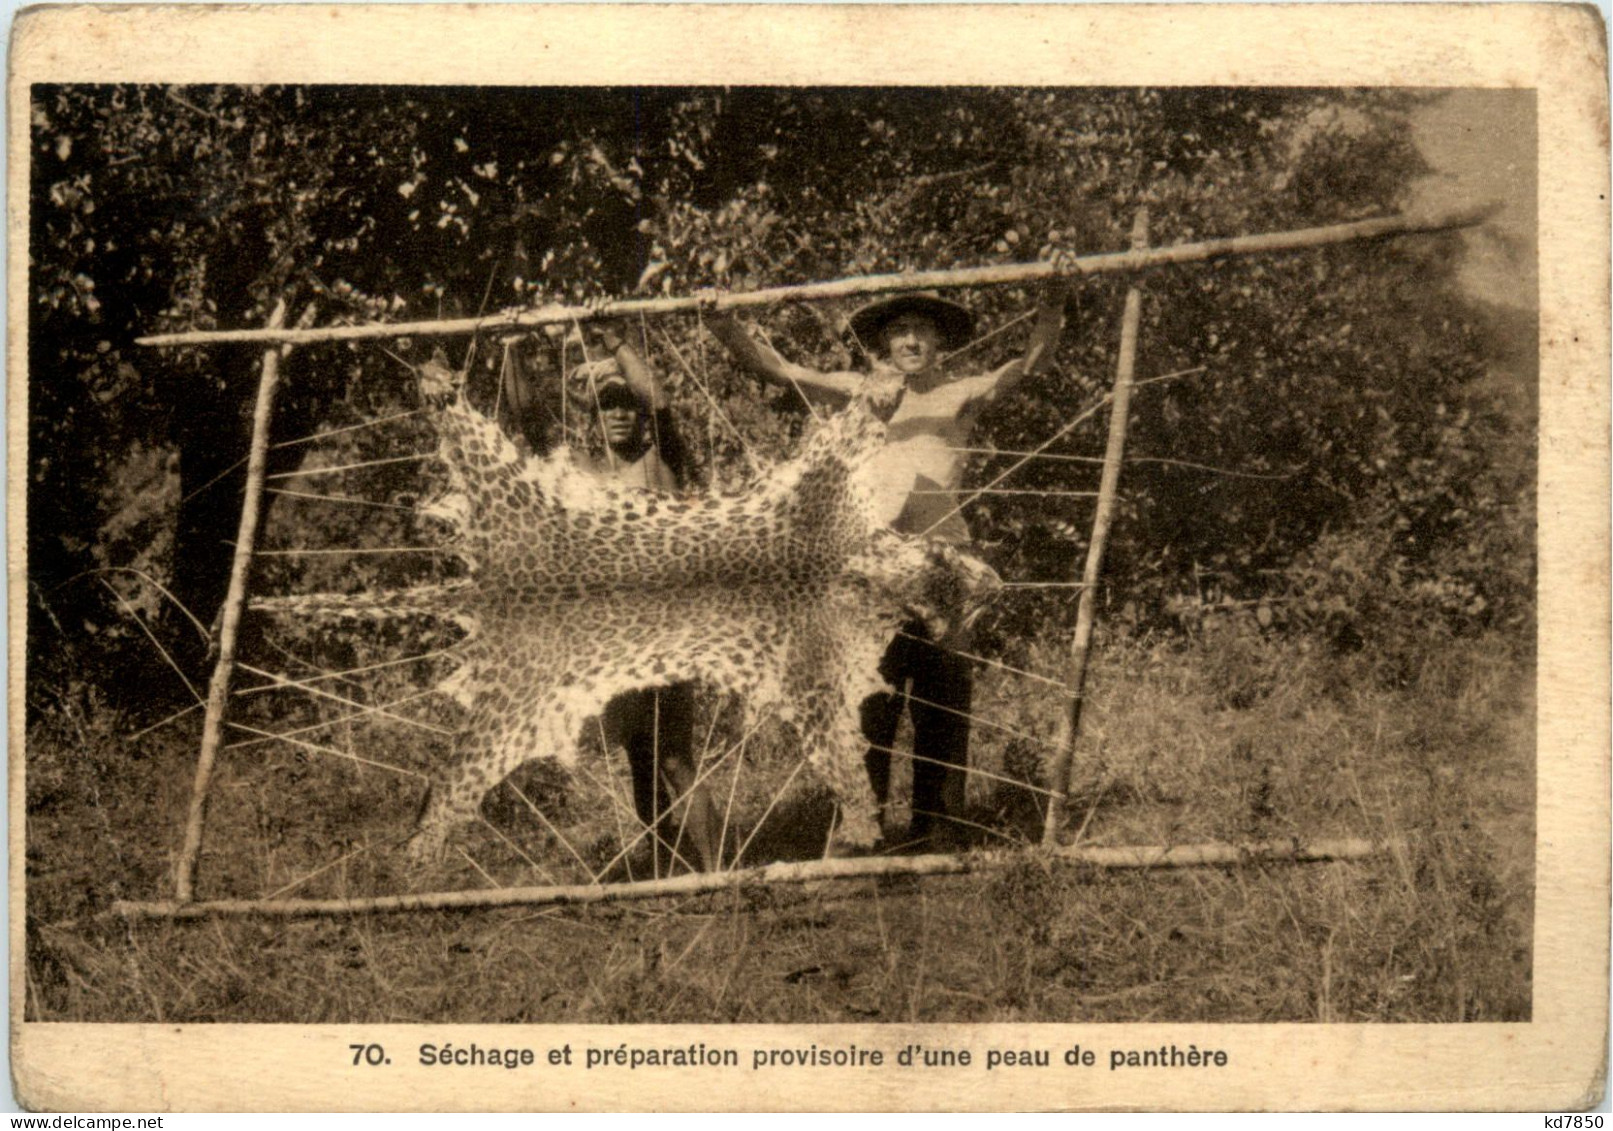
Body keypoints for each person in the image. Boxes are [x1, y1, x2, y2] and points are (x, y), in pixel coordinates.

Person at [704, 283, 1071, 849]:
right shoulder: (858, 391)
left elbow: (1028, 365)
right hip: (873, 565)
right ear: (882, 343)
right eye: (900, 332)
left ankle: (940, 831)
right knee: (870, 700)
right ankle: (859, 831)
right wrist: (723, 325)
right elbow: (780, 370)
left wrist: (1052, 306)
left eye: (922, 331)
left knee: (942, 703)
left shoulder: (960, 394)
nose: (912, 341)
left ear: (940, 342)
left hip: (942, 564)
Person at [500, 313, 718, 874]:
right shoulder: (581, 471)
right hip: (615, 637)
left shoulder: (660, 463)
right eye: (605, 407)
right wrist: (513, 349)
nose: (618, 415)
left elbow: (662, 399)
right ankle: (663, 866)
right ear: (593, 419)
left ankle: (723, 873)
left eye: (626, 405)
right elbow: (531, 423)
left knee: (674, 756)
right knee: (639, 756)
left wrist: (612, 339)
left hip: (668, 631)